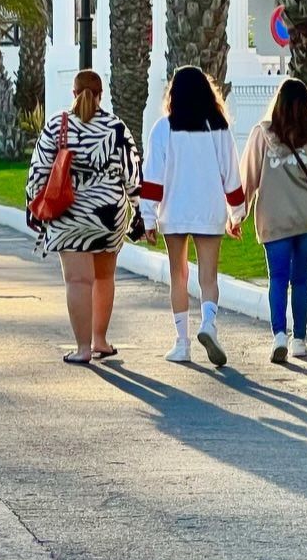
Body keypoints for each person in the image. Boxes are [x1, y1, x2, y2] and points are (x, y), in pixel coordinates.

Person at [26, 69, 141, 366]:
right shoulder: (116, 127)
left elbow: (39, 170)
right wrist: (138, 209)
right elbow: (132, 173)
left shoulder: (57, 124)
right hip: (108, 214)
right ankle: (100, 340)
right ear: (102, 95)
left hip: (70, 214)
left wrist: (33, 204)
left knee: (78, 281)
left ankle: (82, 348)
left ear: (73, 93)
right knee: (104, 278)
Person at [140, 65, 244, 367]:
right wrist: (236, 214)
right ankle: (208, 324)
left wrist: (148, 218)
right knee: (208, 276)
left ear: (174, 94)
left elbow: (152, 178)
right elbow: (231, 174)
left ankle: (182, 344)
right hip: (209, 211)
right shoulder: (219, 128)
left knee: (179, 275)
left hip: (174, 211)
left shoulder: (163, 128)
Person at [235, 77, 307, 365]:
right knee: (301, 279)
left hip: (274, 220)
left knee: (278, 278)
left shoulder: (262, 135)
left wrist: (238, 215)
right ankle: (299, 340)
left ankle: (279, 336)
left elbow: (247, 179)